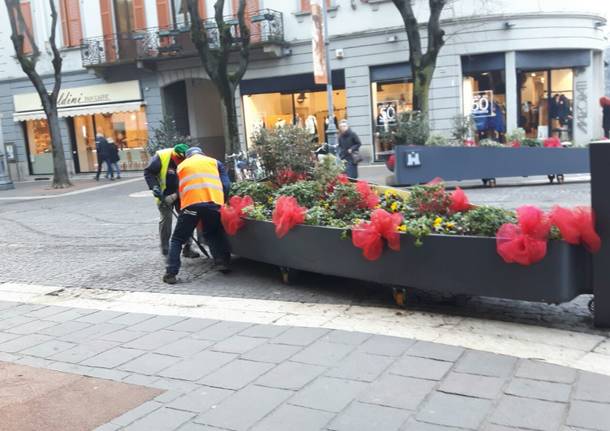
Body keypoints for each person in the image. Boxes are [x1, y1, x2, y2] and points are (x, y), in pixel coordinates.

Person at [163, 147, 231, 284]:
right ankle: (221, 262)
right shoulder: (214, 162)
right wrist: (221, 201)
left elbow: (180, 188)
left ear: (188, 156)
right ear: (202, 154)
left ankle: (171, 273)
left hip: (191, 207)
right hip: (213, 204)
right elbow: (226, 185)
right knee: (214, 232)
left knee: (177, 239)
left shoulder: (181, 166)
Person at [144, 143, 199, 258]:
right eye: (179, 159)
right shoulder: (161, 157)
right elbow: (148, 172)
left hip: (182, 194)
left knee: (188, 218)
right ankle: (165, 247)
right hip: (163, 194)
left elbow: (190, 181)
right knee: (166, 220)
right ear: (175, 155)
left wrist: (175, 195)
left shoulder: (190, 160)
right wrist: (154, 187)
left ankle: (188, 247)